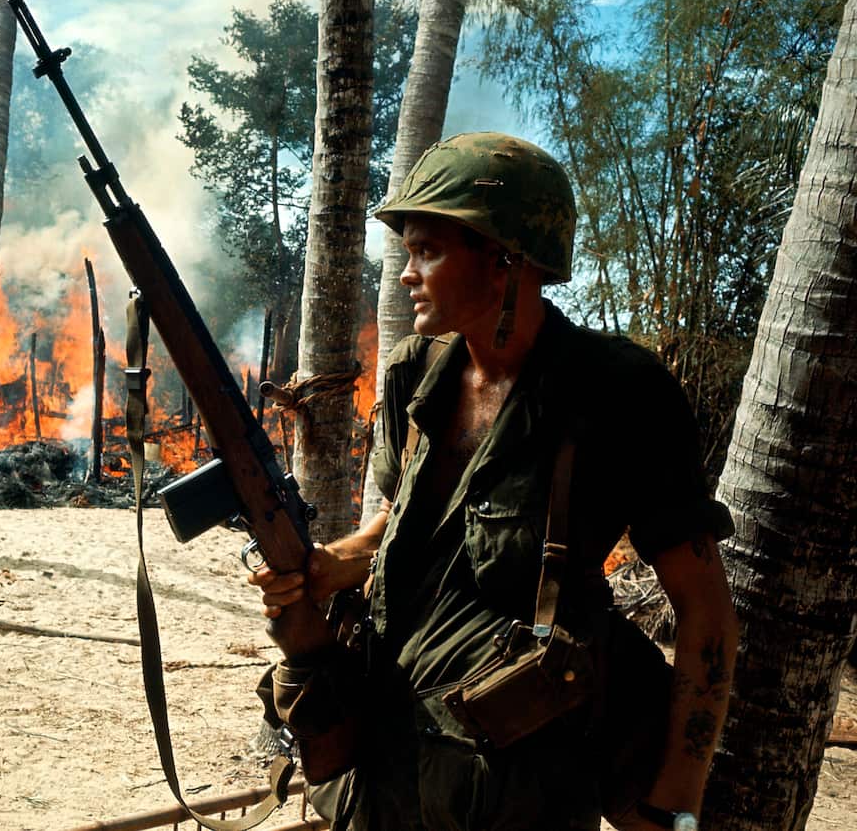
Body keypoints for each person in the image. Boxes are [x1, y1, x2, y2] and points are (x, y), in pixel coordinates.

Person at [251, 133, 739, 831]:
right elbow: (403, 519)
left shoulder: (618, 393)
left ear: (507, 259)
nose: (407, 275)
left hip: (515, 786)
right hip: (382, 766)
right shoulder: (415, 372)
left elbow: (705, 610)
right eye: (408, 252)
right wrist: (332, 566)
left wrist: (677, 805)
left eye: (429, 251)